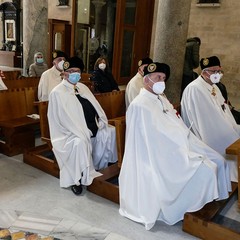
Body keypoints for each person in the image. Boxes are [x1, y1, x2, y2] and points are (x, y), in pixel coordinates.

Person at [119, 62, 231, 230]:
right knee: (206, 169)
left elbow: (174, 122)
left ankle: (204, 202)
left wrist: (184, 137)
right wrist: (180, 143)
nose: (161, 81)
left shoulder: (160, 99)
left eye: (163, 78)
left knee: (218, 160)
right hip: (158, 154)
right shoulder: (140, 104)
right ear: (147, 80)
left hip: (177, 144)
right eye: (158, 77)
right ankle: (190, 208)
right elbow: (148, 140)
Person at [47, 57, 118, 195]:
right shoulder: (57, 92)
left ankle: (103, 166)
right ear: (64, 73)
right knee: (79, 143)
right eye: (71, 71)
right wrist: (81, 131)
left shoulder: (82, 87)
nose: (75, 74)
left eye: (77, 71)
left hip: (91, 125)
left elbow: (95, 107)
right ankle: (76, 179)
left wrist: (100, 121)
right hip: (68, 133)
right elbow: (60, 120)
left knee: (110, 131)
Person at [181, 56, 240, 182]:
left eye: (219, 71)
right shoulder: (195, 89)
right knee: (233, 143)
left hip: (219, 127)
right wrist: (231, 133)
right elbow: (206, 121)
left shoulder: (214, 86)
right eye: (214, 71)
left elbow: (224, 110)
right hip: (206, 134)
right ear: (204, 72)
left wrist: (234, 127)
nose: (217, 74)